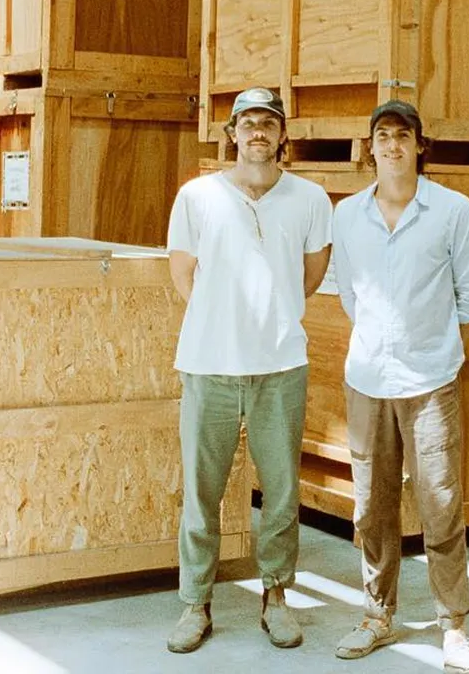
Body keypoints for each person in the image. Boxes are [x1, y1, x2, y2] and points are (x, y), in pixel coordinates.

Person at [164, 86, 332, 654]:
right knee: (201, 492)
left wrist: (268, 316)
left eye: (269, 123)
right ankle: (196, 603)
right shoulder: (197, 196)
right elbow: (183, 272)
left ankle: (277, 597)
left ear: (284, 135)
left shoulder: (310, 199)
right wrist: (223, 320)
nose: (257, 132)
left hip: (281, 365)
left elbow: (310, 274)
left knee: (282, 492)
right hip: (208, 365)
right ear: (231, 132)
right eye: (247, 123)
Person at [331, 100, 469, 674]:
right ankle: (377, 615)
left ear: (421, 145)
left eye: (403, 135)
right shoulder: (348, 215)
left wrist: (427, 340)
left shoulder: (451, 210)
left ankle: (454, 625)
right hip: (368, 378)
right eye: (382, 136)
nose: (392, 145)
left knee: (441, 503)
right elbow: (348, 293)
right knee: (372, 506)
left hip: (430, 380)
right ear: (368, 147)